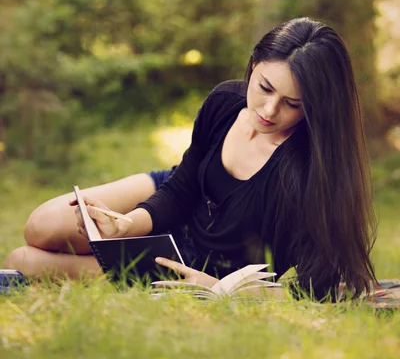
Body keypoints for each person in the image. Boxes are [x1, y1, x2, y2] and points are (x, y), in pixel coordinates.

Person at [4, 17, 377, 300]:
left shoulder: (306, 170)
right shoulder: (225, 101)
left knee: (24, 260)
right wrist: (128, 225)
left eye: (292, 104)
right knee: (42, 225)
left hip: (191, 262)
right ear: (253, 64)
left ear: (315, 108)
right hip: (180, 195)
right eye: (264, 87)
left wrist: (220, 289)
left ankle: (120, 267)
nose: (267, 109)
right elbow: (181, 187)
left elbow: (319, 288)